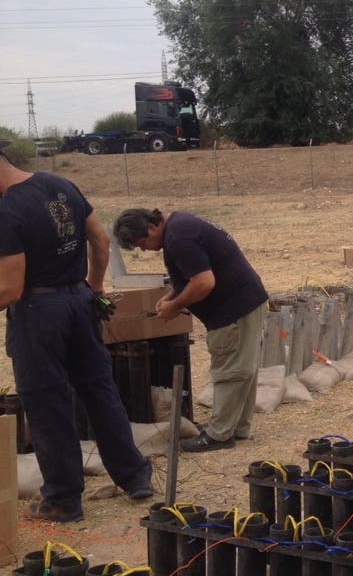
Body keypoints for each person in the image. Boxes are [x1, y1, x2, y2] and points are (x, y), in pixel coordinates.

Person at [0, 139, 153, 523]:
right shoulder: (61, 185)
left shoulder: (7, 210)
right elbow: (100, 240)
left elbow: (10, 288)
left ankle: (63, 499)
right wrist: (94, 285)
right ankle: (134, 476)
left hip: (38, 312)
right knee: (100, 390)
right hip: (80, 302)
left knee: (46, 403)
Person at [113, 208, 268, 452]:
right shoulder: (180, 225)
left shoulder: (178, 238)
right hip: (244, 301)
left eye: (142, 242)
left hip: (233, 309)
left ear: (151, 227)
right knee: (242, 368)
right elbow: (194, 273)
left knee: (230, 369)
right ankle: (235, 426)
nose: (144, 249)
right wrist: (172, 294)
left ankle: (219, 435)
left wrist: (175, 306)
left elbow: (204, 282)